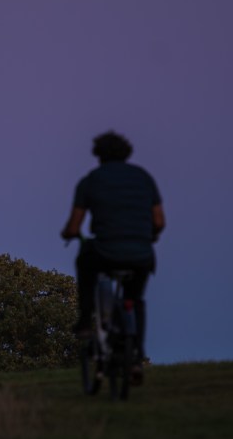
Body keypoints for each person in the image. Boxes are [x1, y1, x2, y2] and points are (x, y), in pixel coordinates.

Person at [60, 131, 165, 375]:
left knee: (85, 262)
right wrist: (149, 235)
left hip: (105, 253)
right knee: (135, 300)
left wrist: (67, 234)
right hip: (141, 255)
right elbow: (159, 221)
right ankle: (136, 357)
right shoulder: (144, 178)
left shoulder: (90, 181)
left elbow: (74, 227)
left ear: (98, 155)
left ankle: (86, 320)